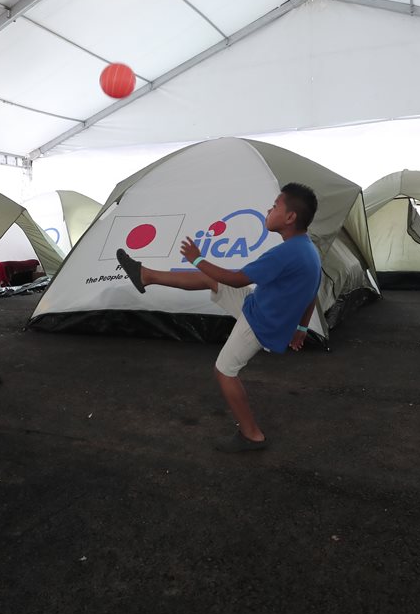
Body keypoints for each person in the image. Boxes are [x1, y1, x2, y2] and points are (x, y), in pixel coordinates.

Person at [116, 183, 321, 453]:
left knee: (225, 371)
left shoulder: (285, 254)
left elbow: (236, 280)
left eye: (274, 206)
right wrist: (302, 327)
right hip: (258, 305)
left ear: (290, 217)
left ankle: (252, 435)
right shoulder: (308, 249)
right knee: (209, 280)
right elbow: (312, 293)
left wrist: (198, 258)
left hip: (259, 322)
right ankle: (146, 276)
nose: (268, 210)